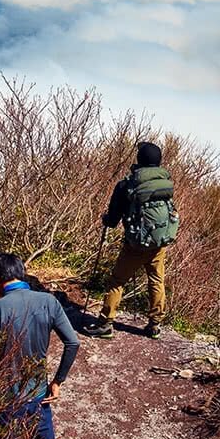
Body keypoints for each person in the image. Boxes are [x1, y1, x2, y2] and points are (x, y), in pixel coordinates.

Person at [0, 252, 80, 439]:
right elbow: (73, 343)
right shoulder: (48, 301)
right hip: (38, 396)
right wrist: (57, 381)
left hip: (6, 398)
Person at [82, 141, 178, 340]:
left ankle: (105, 324)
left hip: (135, 245)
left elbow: (113, 219)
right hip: (159, 242)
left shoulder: (127, 184)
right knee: (156, 280)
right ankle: (154, 325)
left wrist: (106, 220)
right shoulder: (165, 182)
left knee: (117, 280)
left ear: (139, 160)